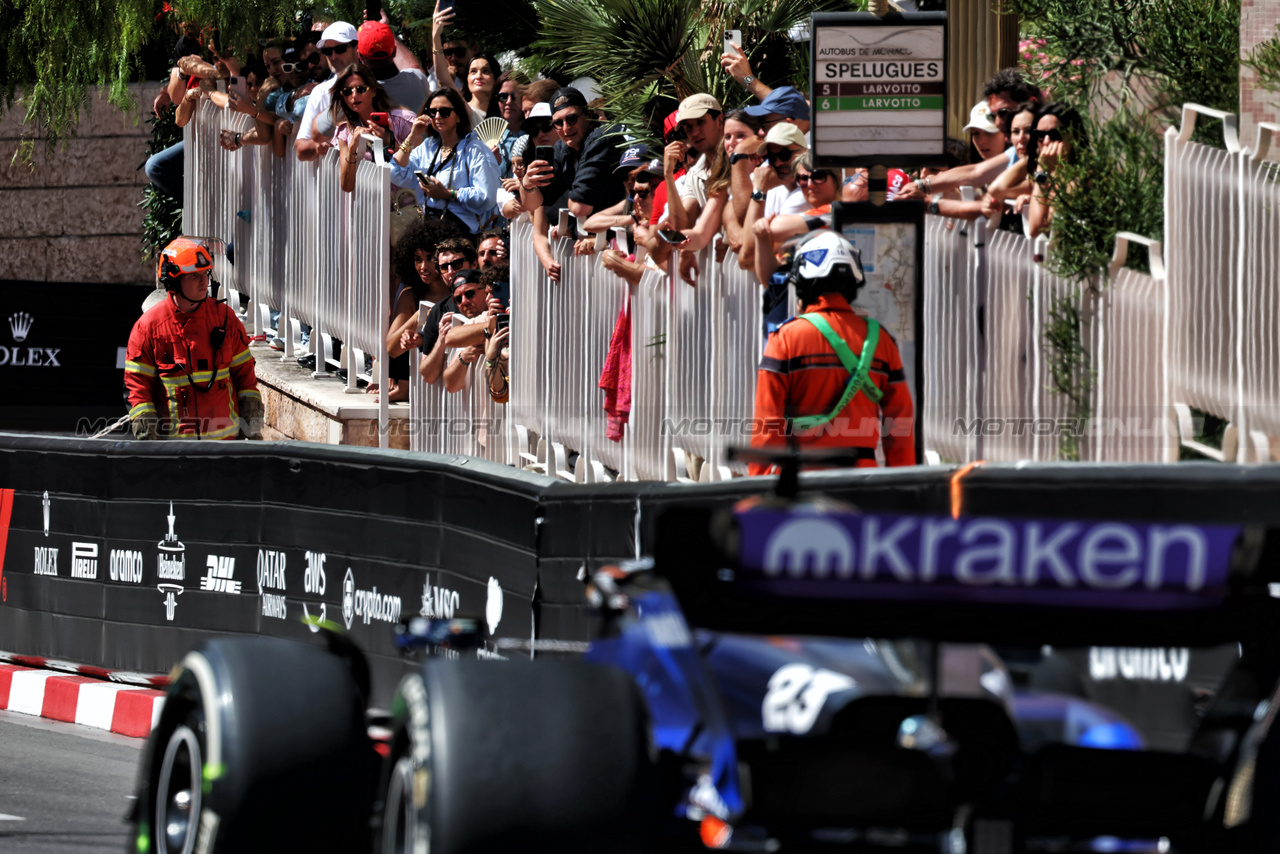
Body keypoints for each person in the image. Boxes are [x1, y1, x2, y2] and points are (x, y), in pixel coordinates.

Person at [749, 230, 914, 475]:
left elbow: (767, 425)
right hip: (862, 480)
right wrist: (902, 486)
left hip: (801, 481)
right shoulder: (881, 340)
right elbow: (900, 423)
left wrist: (759, 485)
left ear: (803, 282)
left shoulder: (785, 338)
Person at [124, 237, 262, 441]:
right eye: (194, 276)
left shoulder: (225, 319)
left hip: (226, 450)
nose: (204, 281)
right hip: (176, 456)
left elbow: (246, 379)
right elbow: (138, 388)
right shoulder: (149, 328)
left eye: (205, 274)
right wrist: (147, 440)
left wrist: (253, 429)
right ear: (173, 281)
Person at [520, 86, 627, 281]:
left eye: (572, 119)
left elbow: (579, 207)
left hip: (624, 249)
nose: (566, 128)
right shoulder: (562, 148)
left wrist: (568, 213)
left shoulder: (601, 138)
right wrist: (527, 184)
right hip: (595, 257)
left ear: (588, 115)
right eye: (558, 123)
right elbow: (534, 205)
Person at [391, 86, 500, 236]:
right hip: (428, 224)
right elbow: (395, 173)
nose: (437, 117)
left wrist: (449, 194)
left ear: (459, 116)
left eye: (445, 112)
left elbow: (486, 198)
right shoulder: (428, 146)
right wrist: (412, 136)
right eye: (432, 111)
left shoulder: (475, 149)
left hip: (459, 231)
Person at [329, 63, 416, 193]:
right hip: (370, 209)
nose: (354, 96)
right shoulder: (345, 131)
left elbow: (420, 168)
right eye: (347, 91)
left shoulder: (403, 121)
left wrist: (390, 141)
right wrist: (353, 148)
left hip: (406, 206)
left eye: (361, 89)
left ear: (374, 91)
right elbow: (346, 186)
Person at [1018, 103, 1087, 237]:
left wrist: (1042, 168)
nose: (1046, 142)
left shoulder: (1081, 177)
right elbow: (996, 189)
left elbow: (1037, 229)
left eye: (1055, 134)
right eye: (1040, 135)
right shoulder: (1048, 176)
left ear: (1075, 136)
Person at [295, 21, 359, 162]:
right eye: (327, 51)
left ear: (357, 48)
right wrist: (317, 145)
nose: (333, 56)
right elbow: (300, 148)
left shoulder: (375, 86)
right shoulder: (320, 92)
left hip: (371, 178)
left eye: (340, 49)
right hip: (332, 181)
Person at [356, 20, 429, 114]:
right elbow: (414, 66)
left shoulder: (361, 96)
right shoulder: (418, 80)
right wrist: (386, 27)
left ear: (360, 56)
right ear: (394, 51)